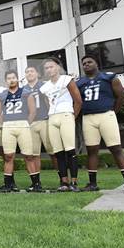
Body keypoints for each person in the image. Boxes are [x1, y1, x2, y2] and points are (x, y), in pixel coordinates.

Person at [77, 54, 124, 193]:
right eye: (84, 63)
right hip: (88, 118)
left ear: (96, 63)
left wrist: (113, 111)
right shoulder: (80, 82)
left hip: (106, 115)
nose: (86, 65)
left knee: (116, 149)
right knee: (92, 151)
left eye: (89, 62)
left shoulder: (108, 77)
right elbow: (77, 100)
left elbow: (120, 96)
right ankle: (92, 183)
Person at [40, 57, 82, 192]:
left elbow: (78, 101)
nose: (49, 69)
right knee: (58, 152)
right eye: (46, 68)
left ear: (58, 67)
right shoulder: (45, 86)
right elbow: (48, 104)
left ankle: (74, 182)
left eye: (51, 66)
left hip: (66, 115)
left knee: (70, 150)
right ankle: (64, 181)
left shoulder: (66, 79)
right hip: (53, 118)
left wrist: (72, 116)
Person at [0, 70, 39, 192]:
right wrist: (4, 122)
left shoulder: (26, 93)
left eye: (13, 77)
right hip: (8, 125)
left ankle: (36, 184)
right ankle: (8, 184)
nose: (11, 80)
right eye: (9, 78)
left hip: (22, 124)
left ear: (17, 79)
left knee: (28, 156)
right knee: (8, 156)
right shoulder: (2, 94)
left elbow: (33, 111)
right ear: (5, 81)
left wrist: (26, 122)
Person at [23, 66, 58, 181]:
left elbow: (50, 101)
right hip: (31, 124)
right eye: (27, 72)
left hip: (45, 120)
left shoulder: (44, 85)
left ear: (37, 73)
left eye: (32, 71)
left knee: (53, 151)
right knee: (34, 154)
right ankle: (36, 182)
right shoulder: (23, 89)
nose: (29, 73)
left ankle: (62, 178)